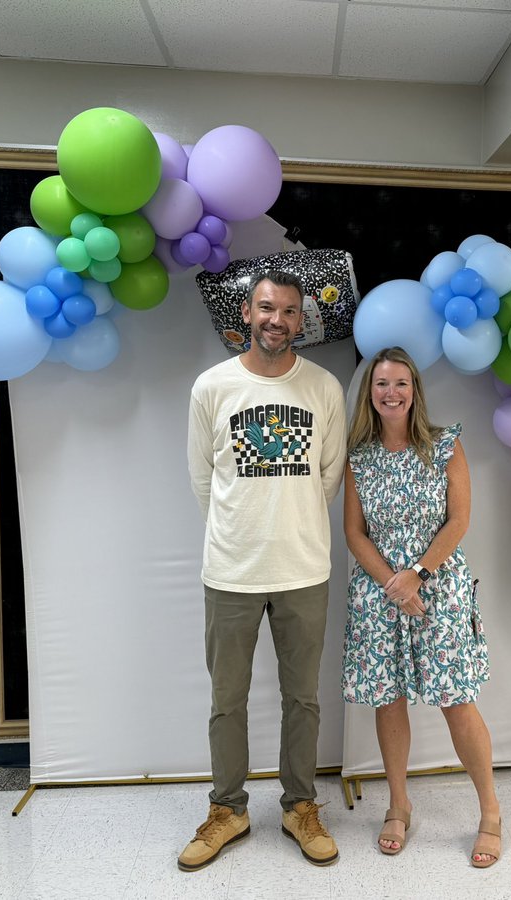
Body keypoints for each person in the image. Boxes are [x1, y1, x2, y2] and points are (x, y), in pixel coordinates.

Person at [182, 270, 346, 871]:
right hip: (230, 572)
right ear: (248, 314)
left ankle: (300, 806)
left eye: (289, 311)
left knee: (301, 698)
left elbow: (328, 477)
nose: (277, 319)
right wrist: (243, 525)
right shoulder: (212, 386)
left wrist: (287, 518)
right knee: (228, 699)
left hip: (303, 567)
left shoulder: (325, 387)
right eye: (266, 308)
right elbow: (204, 479)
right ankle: (228, 809)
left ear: (302, 321)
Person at [341, 346, 502, 868]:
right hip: (379, 592)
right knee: (388, 699)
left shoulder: (445, 444)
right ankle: (398, 804)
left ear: (415, 392)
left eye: (401, 384)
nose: (391, 393)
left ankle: (491, 813)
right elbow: (353, 532)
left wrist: (418, 576)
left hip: (439, 590)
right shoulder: (358, 456)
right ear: (370, 393)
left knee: (457, 700)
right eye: (381, 384)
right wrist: (392, 582)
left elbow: (458, 521)